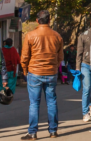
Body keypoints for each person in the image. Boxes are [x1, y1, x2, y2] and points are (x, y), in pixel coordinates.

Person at [20, 10, 63, 139]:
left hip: (35, 72)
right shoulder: (57, 36)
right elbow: (60, 57)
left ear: (37, 21)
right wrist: (54, 67)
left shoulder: (30, 35)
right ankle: (53, 130)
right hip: (51, 72)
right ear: (49, 20)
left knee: (34, 103)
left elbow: (24, 56)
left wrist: (24, 70)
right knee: (51, 102)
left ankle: (32, 132)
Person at [76, 16, 91, 122]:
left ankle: (90, 104)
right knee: (87, 88)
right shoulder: (84, 35)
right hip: (85, 64)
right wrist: (77, 68)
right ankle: (85, 113)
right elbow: (79, 53)